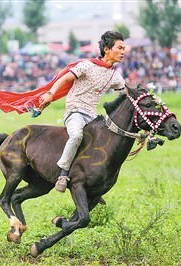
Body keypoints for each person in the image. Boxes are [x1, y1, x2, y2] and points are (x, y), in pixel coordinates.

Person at [38, 30, 126, 193]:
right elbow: (64, 79)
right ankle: (63, 174)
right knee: (77, 136)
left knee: (104, 142)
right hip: (75, 111)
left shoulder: (116, 77)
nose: (123, 52)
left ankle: (91, 182)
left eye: (123, 48)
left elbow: (126, 95)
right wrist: (50, 93)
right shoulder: (87, 65)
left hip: (92, 116)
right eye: (120, 48)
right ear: (107, 49)